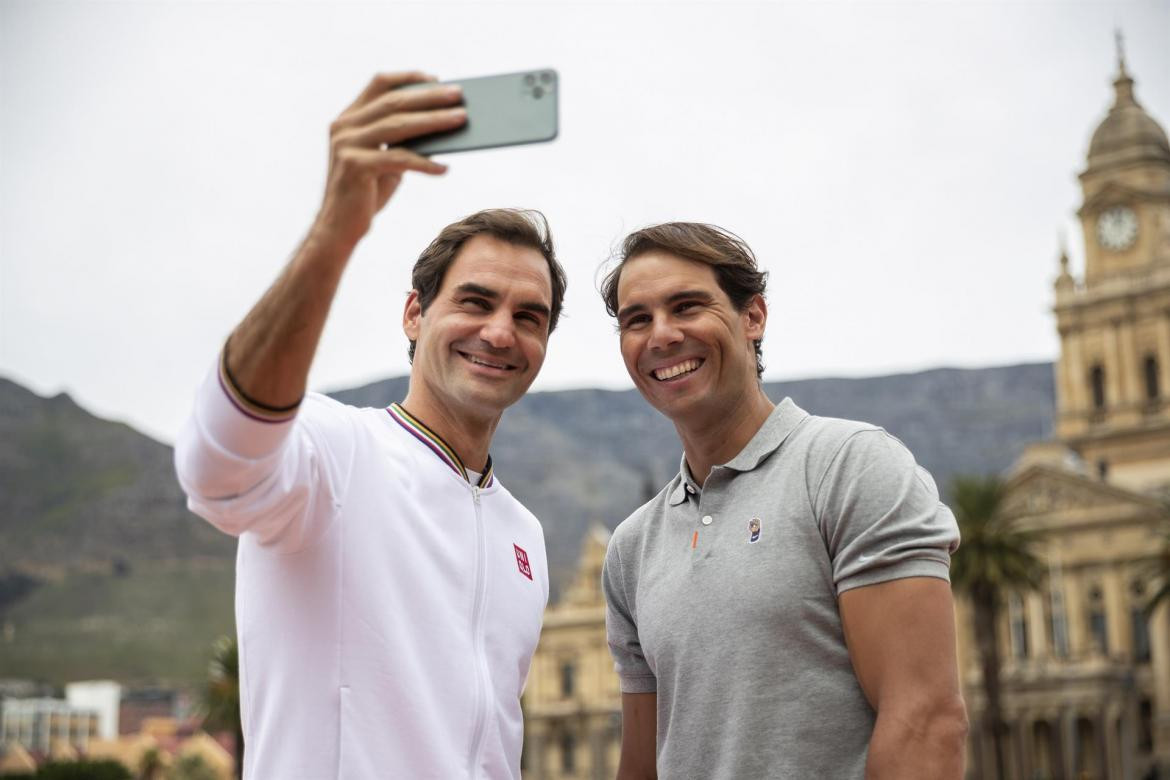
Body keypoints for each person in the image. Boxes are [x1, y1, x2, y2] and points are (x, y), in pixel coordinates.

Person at [174, 72, 567, 779]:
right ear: (415, 314)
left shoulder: (527, 537)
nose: (500, 333)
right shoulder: (335, 451)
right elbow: (217, 466)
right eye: (474, 302)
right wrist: (337, 227)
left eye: (528, 316)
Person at [598, 222, 967, 779]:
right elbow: (642, 765)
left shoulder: (849, 467)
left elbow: (925, 719)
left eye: (687, 307)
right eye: (637, 319)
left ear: (753, 317)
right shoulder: (630, 548)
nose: (662, 335)